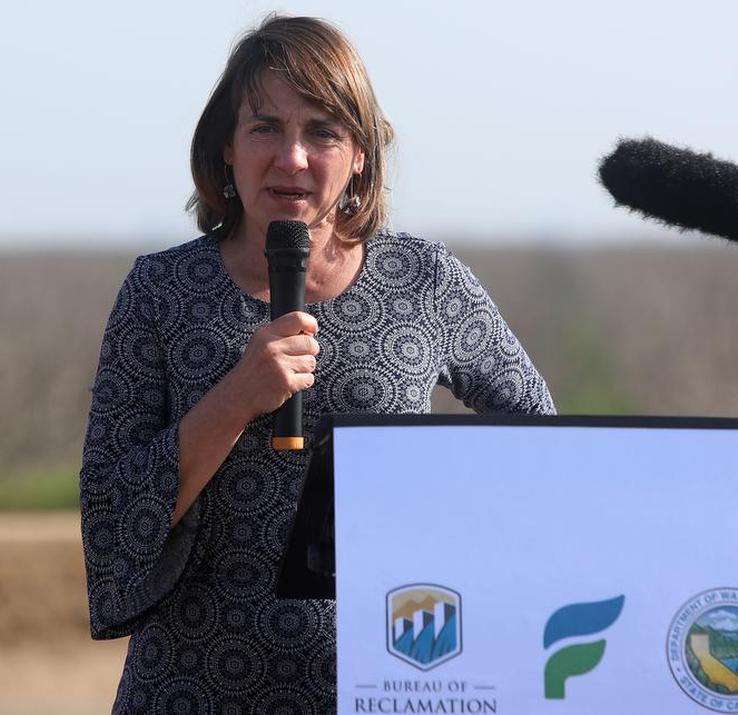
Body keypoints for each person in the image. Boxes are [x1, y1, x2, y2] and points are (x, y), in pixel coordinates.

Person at [78, 14, 555, 713]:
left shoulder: (425, 279)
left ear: (361, 154)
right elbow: (111, 516)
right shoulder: (160, 291)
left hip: (391, 680)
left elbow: (543, 446)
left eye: (323, 131)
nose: (292, 158)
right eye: (265, 127)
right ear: (226, 147)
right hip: (191, 686)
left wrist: (436, 516)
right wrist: (236, 397)